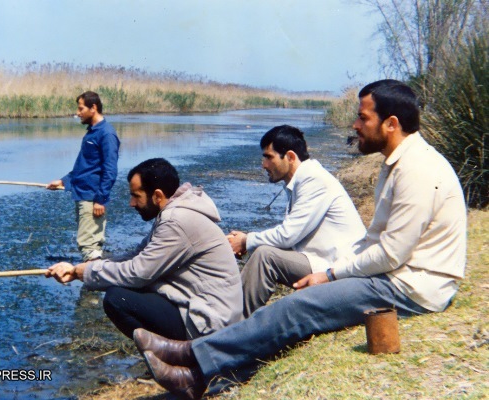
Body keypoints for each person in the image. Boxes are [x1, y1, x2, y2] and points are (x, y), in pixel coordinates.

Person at [132, 80, 467, 400]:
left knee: (296, 308)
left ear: (391, 123)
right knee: (298, 314)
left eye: (363, 117)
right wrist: (331, 274)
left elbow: (391, 254)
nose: (355, 125)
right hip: (398, 277)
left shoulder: (417, 171)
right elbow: (377, 242)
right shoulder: (396, 165)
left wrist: (330, 275)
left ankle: (190, 352)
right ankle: (202, 378)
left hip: (411, 288)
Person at [46, 158, 243, 341]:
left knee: (118, 299)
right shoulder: (174, 212)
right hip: (209, 310)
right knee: (128, 288)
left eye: (136, 196)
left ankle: (183, 357)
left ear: (157, 195)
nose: (131, 204)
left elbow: (139, 273)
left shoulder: (177, 221)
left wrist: (88, 273)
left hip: (212, 323)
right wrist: (80, 268)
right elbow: (137, 256)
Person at [227, 125, 366, 317]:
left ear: (290, 157)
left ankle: (233, 327)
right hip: (322, 260)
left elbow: (287, 235)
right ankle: (235, 322)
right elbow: (291, 236)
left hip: (338, 269)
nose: (263, 165)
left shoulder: (314, 180)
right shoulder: (302, 180)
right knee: (265, 252)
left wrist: (245, 240)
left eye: (269, 157)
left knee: (265, 256)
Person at [47, 91, 120, 262]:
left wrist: (100, 199)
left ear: (93, 108)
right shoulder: (92, 132)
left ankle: (92, 285)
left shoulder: (106, 134)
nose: (78, 113)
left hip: (92, 198)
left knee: (89, 246)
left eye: (81, 109)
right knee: (88, 244)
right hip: (83, 195)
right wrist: (63, 181)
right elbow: (83, 167)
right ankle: (94, 282)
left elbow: (110, 170)